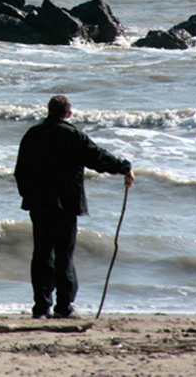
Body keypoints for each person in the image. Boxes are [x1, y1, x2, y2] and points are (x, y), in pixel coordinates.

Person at [14, 95, 135, 319]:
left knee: (41, 254)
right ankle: (63, 306)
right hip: (66, 204)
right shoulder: (73, 136)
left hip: (39, 204)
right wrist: (124, 167)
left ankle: (41, 307)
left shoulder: (32, 134)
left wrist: (28, 195)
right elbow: (98, 158)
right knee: (64, 255)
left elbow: (20, 171)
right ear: (68, 114)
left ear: (48, 111)